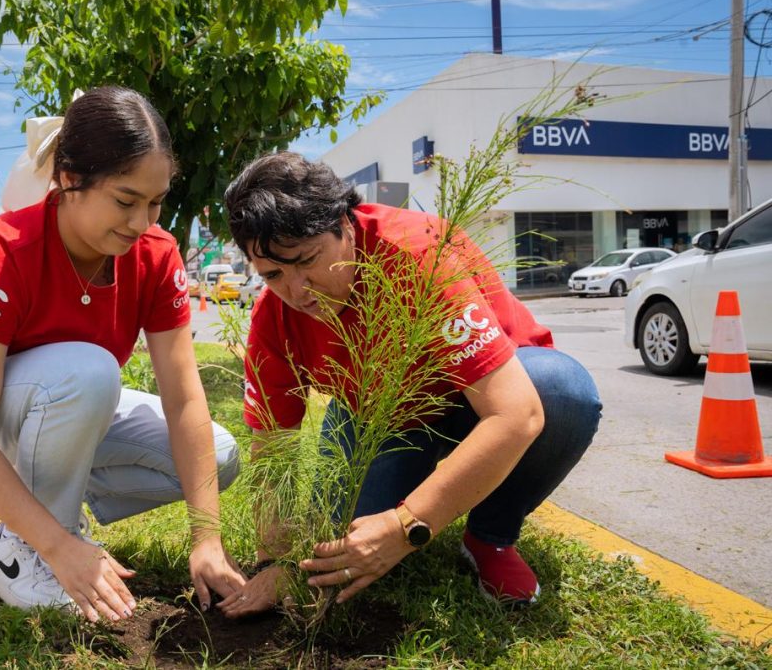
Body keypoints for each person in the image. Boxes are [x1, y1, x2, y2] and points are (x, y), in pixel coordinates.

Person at [0, 86, 243, 623]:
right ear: (68, 180)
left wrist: (207, 537)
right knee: (88, 372)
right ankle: (23, 551)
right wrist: (61, 548)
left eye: (156, 202)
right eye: (126, 201)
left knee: (218, 457)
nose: (142, 223)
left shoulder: (155, 256)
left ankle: (40, 513)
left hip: (64, 398)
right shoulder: (0, 255)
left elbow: (183, 399)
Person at [216, 151, 601, 617]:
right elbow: (272, 448)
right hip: (383, 415)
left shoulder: (418, 257)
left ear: (346, 223)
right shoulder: (274, 317)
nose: (298, 292)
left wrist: (405, 527)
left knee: (562, 391)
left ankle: (490, 537)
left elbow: (516, 413)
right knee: (333, 554)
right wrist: (274, 561)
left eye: (308, 261)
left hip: (474, 396)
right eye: (274, 275)